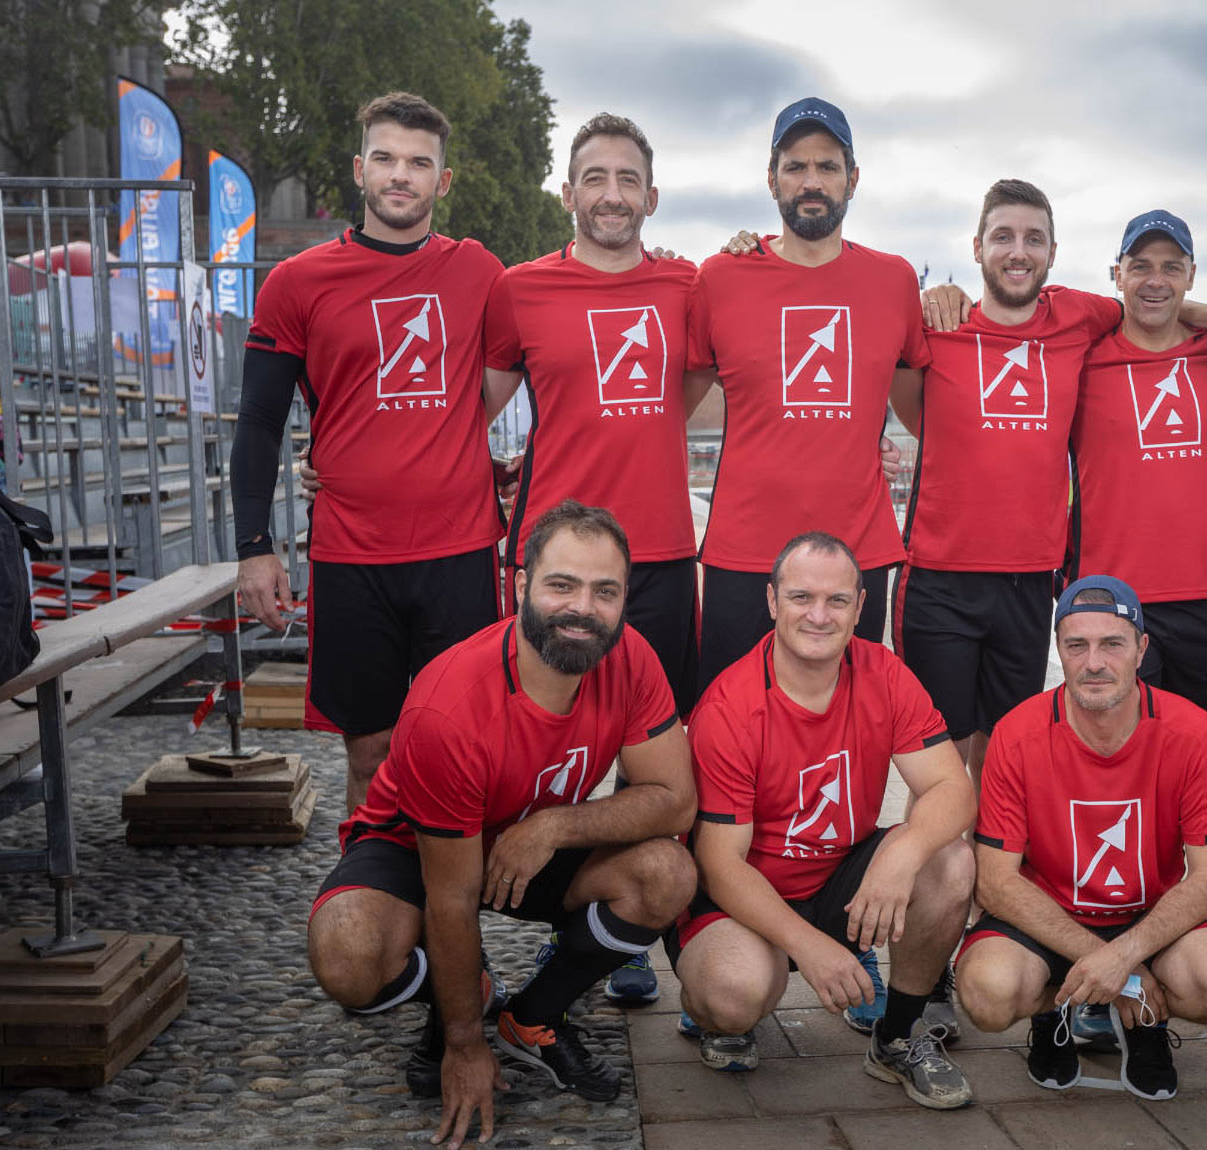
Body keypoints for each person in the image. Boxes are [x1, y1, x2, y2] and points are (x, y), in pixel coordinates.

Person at [305, 500, 697, 1150]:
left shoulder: (632, 657)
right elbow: (451, 895)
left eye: (606, 591)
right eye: (561, 584)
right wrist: (463, 1042)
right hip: (418, 846)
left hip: (531, 841)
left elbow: (675, 801)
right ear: (520, 584)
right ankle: (464, 998)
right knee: (347, 958)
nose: (583, 609)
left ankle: (533, 1016)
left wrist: (550, 828)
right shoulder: (450, 706)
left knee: (667, 872)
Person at [898, 185, 1207, 787]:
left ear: (1053, 251)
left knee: (1005, 756)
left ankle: (990, 874)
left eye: (1033, 238)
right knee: (942, 773)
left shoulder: (1080, 319)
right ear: (977, 246)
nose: (1018, 251)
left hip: (1031, 582)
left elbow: (1155, 304)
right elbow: (913, 412)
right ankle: (943, 878)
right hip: (942, 579)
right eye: (1003, 236)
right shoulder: (939, 325)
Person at [231, 92, 505, 813]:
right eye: (385, 158)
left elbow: (566, 333)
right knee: (370, 750)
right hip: (353, 553)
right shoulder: (297, 282)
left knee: (461, 746)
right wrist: (253, 546)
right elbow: (259, 419)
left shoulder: (482, 273)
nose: (401, 175)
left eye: (419, 163)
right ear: (360, 169)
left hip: (459, 549)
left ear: (443, 181)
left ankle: (448, 922)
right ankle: (371, 909)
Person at [482, 112, 699, 1006]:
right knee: (551, 741)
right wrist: (329, 459)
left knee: (652, 760)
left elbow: (694, 389)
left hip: (660, 557)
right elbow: (467, 411)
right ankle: (535, 914)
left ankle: (638, 928)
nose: (612, 195)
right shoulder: (519, 289)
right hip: (557, 566)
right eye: (595, 178)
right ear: (567, 194)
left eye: (628, 179)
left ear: (652, 195)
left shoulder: (692, 285)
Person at [674, 532, 979, 1110]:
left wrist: (904, 851)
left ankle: (897, 1038)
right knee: (733, 994)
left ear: (861, 608)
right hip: (747, 896)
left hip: (839, 878)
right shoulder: (730, 707)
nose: (819, 616)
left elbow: (952, 790)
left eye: (837, 601)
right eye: (801, 598)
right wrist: (811, 948)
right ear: (771, 601)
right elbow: (718, 864)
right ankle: (712, 1006)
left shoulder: (883, 672)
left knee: (950, 859)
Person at [955, 575, 1207, 1100]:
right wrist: (1112, 964)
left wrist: (1127, 957)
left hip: (1149, 916)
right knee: (987, 994)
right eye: (1077, 645)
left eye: (1112, 644)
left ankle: (1145, 1022)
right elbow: (997, 884)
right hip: (1050, 917)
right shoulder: (1016, 732)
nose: (1094, 662)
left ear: (1141, 648)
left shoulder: (1191, 730)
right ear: (1060, 651)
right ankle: (1058, 1013)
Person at [685, 98, 927, 693]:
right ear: (771, 180)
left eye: (827, 166)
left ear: (853, 178)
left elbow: (918, 410)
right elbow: (673, 409)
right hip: (744, 555)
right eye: (795, 167)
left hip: (855, 554)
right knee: (729, 727)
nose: (812, 182)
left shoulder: (894, 281)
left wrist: (869, 439)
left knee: (851, 728)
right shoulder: (720, 278)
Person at [1070, 210, 1207, 720]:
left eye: (1171, 267)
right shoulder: (1085, 358)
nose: (1155, 279)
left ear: (1191, 276)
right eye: (1140, 265)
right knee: (1117, 756)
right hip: (1110, 598)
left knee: (1190, 752)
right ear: (1117, 274)